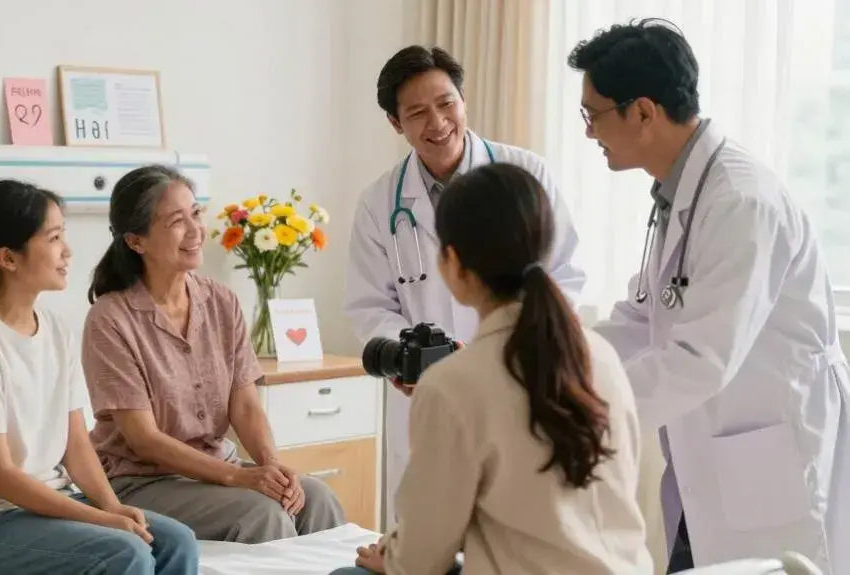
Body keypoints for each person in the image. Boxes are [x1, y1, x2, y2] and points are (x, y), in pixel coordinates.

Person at [568, 18, 850, 574]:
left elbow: (701, 358)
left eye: (592, 115)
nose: (588, 133)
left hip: (770, 461)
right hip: (717, 461)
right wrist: (550, 361)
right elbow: (642, 316)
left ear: (642, 112)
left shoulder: (741, 201)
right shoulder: (682, 193)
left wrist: (580, 410)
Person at [332, 163, 652, 575]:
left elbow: (420, 560)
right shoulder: (601, 355)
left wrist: (390, 556)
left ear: (453, 262)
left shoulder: (453, 385)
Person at [342, 45, 587, 527]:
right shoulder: (379, 202)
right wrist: (415, 356)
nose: (437, 123)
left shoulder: (525, 174)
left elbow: (564, 275)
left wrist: (500, 350)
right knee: (428, 529)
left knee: (509, 527)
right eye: (417, 113)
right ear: (395, 123)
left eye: (446, 103)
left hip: (516, 378)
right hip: (427, 394)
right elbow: (369, 305)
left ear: (463, 99)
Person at [0, 180, 198, 575]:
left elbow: (76, 444)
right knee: (125, 554)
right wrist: (101, 520)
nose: (67, 250)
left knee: (177, 541)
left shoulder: (54, 329)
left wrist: (111, 506)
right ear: (8, 258)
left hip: (51, 501)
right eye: (53, 238)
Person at [81, 165, 346, 544]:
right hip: (142, 482)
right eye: (177, 221)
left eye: (196, 213)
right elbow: (143, 439)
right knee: (262, 514)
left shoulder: (221, 301)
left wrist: (272, 467)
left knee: (316, 498)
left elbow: (246, 406)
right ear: (137, 241)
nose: (195, 230)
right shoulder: (110, 319)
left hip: (219, 468)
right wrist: (239, 477)